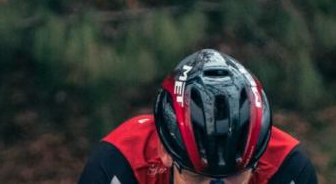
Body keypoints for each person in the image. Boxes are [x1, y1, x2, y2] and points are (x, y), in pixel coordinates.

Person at [78, 49, 318, 184]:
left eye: (233, 175)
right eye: (198, 177)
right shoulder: (121, 162)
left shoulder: (287, 168)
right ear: (164, 152)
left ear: (259, 158)